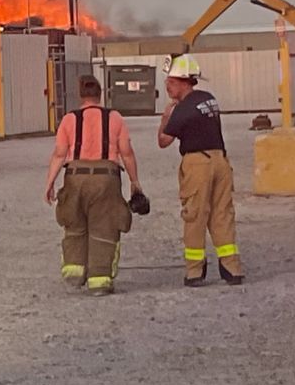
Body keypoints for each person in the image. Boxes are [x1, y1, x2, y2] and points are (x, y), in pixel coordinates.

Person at [42, 76, 143, 295]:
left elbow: (59, 154)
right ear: (100, 95)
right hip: (106, 178)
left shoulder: (69, 120)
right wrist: (135, 183)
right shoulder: (114, 118)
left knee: (75, 224)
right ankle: (100, 281)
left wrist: (50, 184)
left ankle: (75, 273)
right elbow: (126, 152)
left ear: (80, 96)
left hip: (75, 177)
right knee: (104, 227)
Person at [157, 54, 244, 287]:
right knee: (222, 214)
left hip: (198, 163)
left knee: (194, 216)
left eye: (172, 82)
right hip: (220, 161)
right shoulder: (209, 99)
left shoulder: (183, 108)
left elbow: (163, 141)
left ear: (186, 81)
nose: (167, 86)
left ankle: (195, 271)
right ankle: (231, 268)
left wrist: (166, 117)